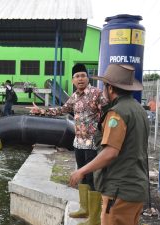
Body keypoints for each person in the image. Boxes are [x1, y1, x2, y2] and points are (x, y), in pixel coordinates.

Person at [69, 64, 150, 225]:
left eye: (105, 85)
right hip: (137, 188)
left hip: (120, 190)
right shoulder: (138, 109)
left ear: (110, 88)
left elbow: (110, 152)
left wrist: (81, 171)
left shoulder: (117, 113)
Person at [29, 63, 107, 220]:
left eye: (83, 76)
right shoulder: (74, 97)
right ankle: (84, 208)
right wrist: (41, 111)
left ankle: (94, 218)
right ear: (72, 80)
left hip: (93, 143)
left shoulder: (96, 94)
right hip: (78, 142)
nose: (80, 79)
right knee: (82, 176)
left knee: (92, 177)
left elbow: (107, 113)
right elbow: (61, 109)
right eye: (77, 76)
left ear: (87, 77)